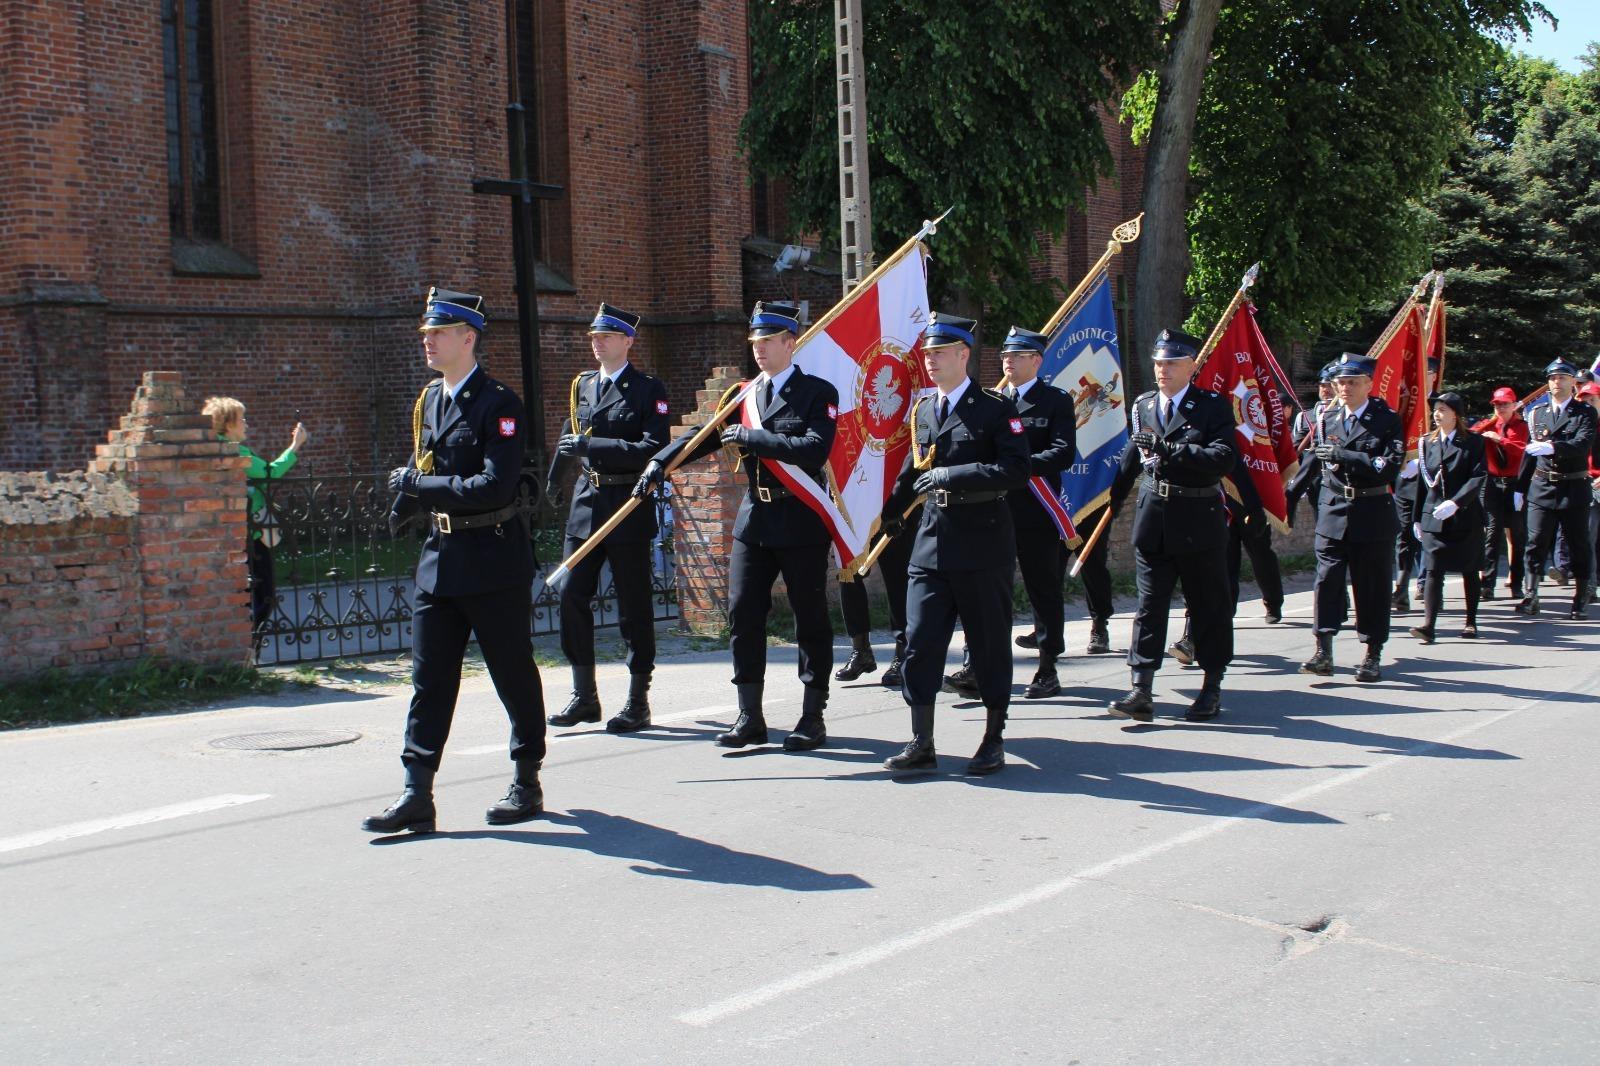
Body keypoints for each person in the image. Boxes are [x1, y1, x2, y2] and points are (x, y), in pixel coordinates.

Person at [363, 288, 546, 834]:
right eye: (426, 332)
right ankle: (416, 792)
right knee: (430, 680)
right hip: (440, 561)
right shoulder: (430, 400)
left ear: (468, 338)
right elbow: (426, 460)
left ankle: (526, 779)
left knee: (512, 674)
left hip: (493, 559)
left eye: (438, 332)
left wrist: (420, 487)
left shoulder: (499, 404)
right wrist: (403, 504)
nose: (428, 340)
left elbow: (494, 486)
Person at [634, 301, 839, 750]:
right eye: (755, 342)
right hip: (755, 518)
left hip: (800, 518)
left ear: (790, 343)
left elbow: (814, 448)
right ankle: (750, 715)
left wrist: (755, 438)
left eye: (768, 341)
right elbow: (703, 436)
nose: (759, 349)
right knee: (743, 612)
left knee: (809, 617)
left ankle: (812, 715)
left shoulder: (817, 393)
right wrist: (659, 462)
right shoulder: (744, 395)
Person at [878, 312, 1029, 773]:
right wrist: (891, 511)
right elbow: (916, 467)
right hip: (932, 541)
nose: (931, 360)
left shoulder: (996, 408)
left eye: (940, 352)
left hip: (982, 540)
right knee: (921, 642)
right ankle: (921, 740)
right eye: (928, 352)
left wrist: (953, 475)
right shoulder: (925, 409)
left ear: (964, 354)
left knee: (988, 644)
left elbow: (1015, 470)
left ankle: (993, 737)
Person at [546, 304, 670, 733]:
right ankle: (584, 695)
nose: (597, 343)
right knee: (570, 593)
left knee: (633, 605)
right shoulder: (583, 384)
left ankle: (638, 699)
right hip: (588, 499)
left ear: (627, 341)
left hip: (627, 501)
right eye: (594, 337)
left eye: (606, 336)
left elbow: (653, 446)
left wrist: (593, 445)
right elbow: (572, 435)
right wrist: (557, 475)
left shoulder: (647, 389)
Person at [1104, 329, 1237, 723]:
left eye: (1172, 363)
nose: (1162, 370)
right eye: (1159, 363)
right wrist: (1114, 497)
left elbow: (1223, 457)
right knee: (1149, 606)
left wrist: (1172, 449)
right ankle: (1141, 687)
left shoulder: (1211, 406)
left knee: (1208, 605)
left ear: (1191, 366)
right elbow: (1133, 454)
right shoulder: (1144, 404)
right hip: (1154, 518)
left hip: (1198, 517)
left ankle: (1211, 685)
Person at [1287, 353, 1403, 682]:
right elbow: (1313, 462)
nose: (1345, 388)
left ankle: (1372, 653)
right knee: (1326, 581)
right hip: (1334, 509)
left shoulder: (1386, 419)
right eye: (1341, 382)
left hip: (1372, 511)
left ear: (1368, 384)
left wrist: (1346, 455)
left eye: (1352, 382)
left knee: (1371, 586)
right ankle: (1323, 649)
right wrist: (1288, 498)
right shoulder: (1327, 418)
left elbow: (1388, 467)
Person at [991, 326, 1077, 698]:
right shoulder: (993, 401)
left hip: (1037, 510)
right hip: (995, 508)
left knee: (1043, 588)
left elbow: (1063, 452)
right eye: (1005, 356)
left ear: (1036, 361)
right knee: (989, 588)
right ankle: (980, 663)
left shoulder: (1054, 401)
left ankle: (1048, 666)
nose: (1008, 361)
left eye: (1017, 355)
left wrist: (1019, 465)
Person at [203, 397, 308, 633]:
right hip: (253, 534)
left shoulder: (210, 450)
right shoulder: (236, 452)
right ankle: (252, 641)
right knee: (263, 595)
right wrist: (295, 445)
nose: (246, 424)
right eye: (241, 419)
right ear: (228, 424)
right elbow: (270, 473)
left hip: (228, 533)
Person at [1516, 358, 1597, 619]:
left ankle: (1580, 597)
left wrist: (1552, 447)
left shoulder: (1585, 412)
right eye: (1552, 378)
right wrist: (1520, 487)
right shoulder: (1536, 413)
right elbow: (1530, 453)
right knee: (1535, 541)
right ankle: (1531, 594)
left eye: (1562, 377)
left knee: (1578, 543)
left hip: (1573, 485)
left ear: (1573, 382)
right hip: (1542, 486)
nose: (1556, 382)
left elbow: (1582, 444)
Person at [1406, 393, 1487, 642]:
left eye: (1443, 409)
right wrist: (1417, 517)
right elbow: (1423, 483)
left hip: (1464, 516)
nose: (1437, 414)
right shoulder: (1427, 442)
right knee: (1433, 570)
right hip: (1434, 517)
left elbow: (1477, 477)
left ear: (1456, 414)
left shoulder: (1473, 442)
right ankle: (1429, 625)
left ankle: (1471, 622)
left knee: (1469, 570)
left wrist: (1456, 503)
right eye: (1436, 409)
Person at [835, 518, 915, 686]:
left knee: (899, 579)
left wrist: (898, 508)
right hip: (857, 512)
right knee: (848, 574)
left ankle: (904, 654)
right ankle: (861, 652)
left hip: (895, 511)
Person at [1392, 356, 1441, 613]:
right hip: (1406, 481)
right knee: (1403, 536)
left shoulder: (1442, 404)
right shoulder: (1403, 403)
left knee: (1429, 536)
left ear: (1434, 375)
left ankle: (1428, 584)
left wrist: (1423, 461)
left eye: (1427, 371)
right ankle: (1401, 586)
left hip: (1433, 483)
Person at [1477, 386, 1529, 601]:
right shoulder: (1490, 424)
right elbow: (1470, 435)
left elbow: (1521, 450)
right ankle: (1487, 584)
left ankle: (1516, 583)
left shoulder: (1522, 426)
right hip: (1492, 483)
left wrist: (1500, 440)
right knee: (1492, 533)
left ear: (1514, 405)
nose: (1500, 408)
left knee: (1517, 535)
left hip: (1515, 484)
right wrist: (1485, 428)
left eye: (1505, 404)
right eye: (1497, 404)